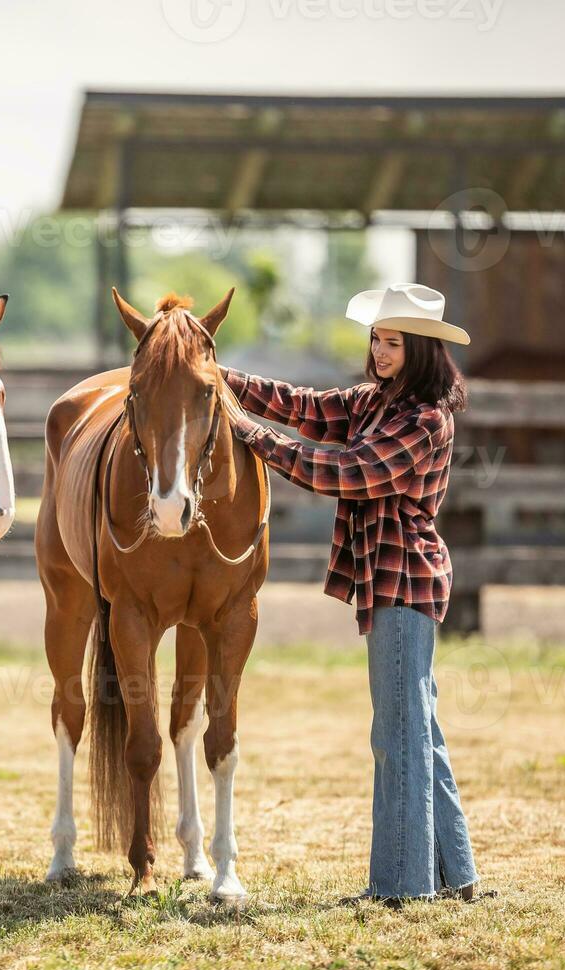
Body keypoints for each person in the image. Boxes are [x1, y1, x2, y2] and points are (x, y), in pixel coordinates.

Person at [223, 282, 491, 907]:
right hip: (394, 582)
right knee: (418, 729)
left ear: (421, 349)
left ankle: (400, 888)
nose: (379, 351)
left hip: (403, 582)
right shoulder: (375, 403)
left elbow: (351, 474)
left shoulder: (423, 419)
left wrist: (254, 438)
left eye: (392, 342)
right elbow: (302, 405)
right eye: (376, 339)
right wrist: (218, 375)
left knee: (396, 736)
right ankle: (457, 876)